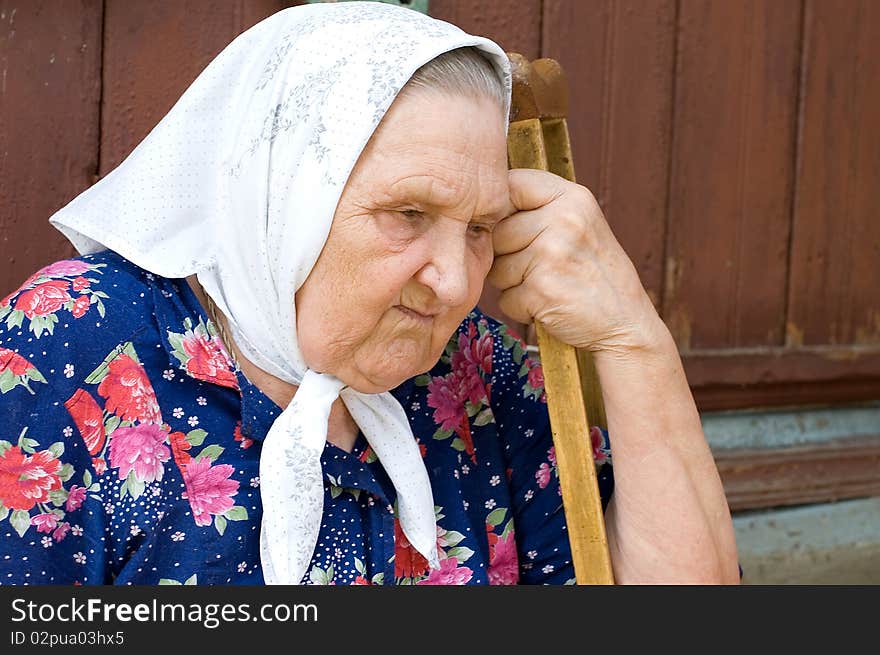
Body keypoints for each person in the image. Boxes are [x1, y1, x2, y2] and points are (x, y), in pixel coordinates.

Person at [0, 2, 739, 585]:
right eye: (409, 214)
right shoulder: (74, 349)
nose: (454, 283)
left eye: (480, 226)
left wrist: (634, 339)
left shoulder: (472, 374)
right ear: (283, 199)